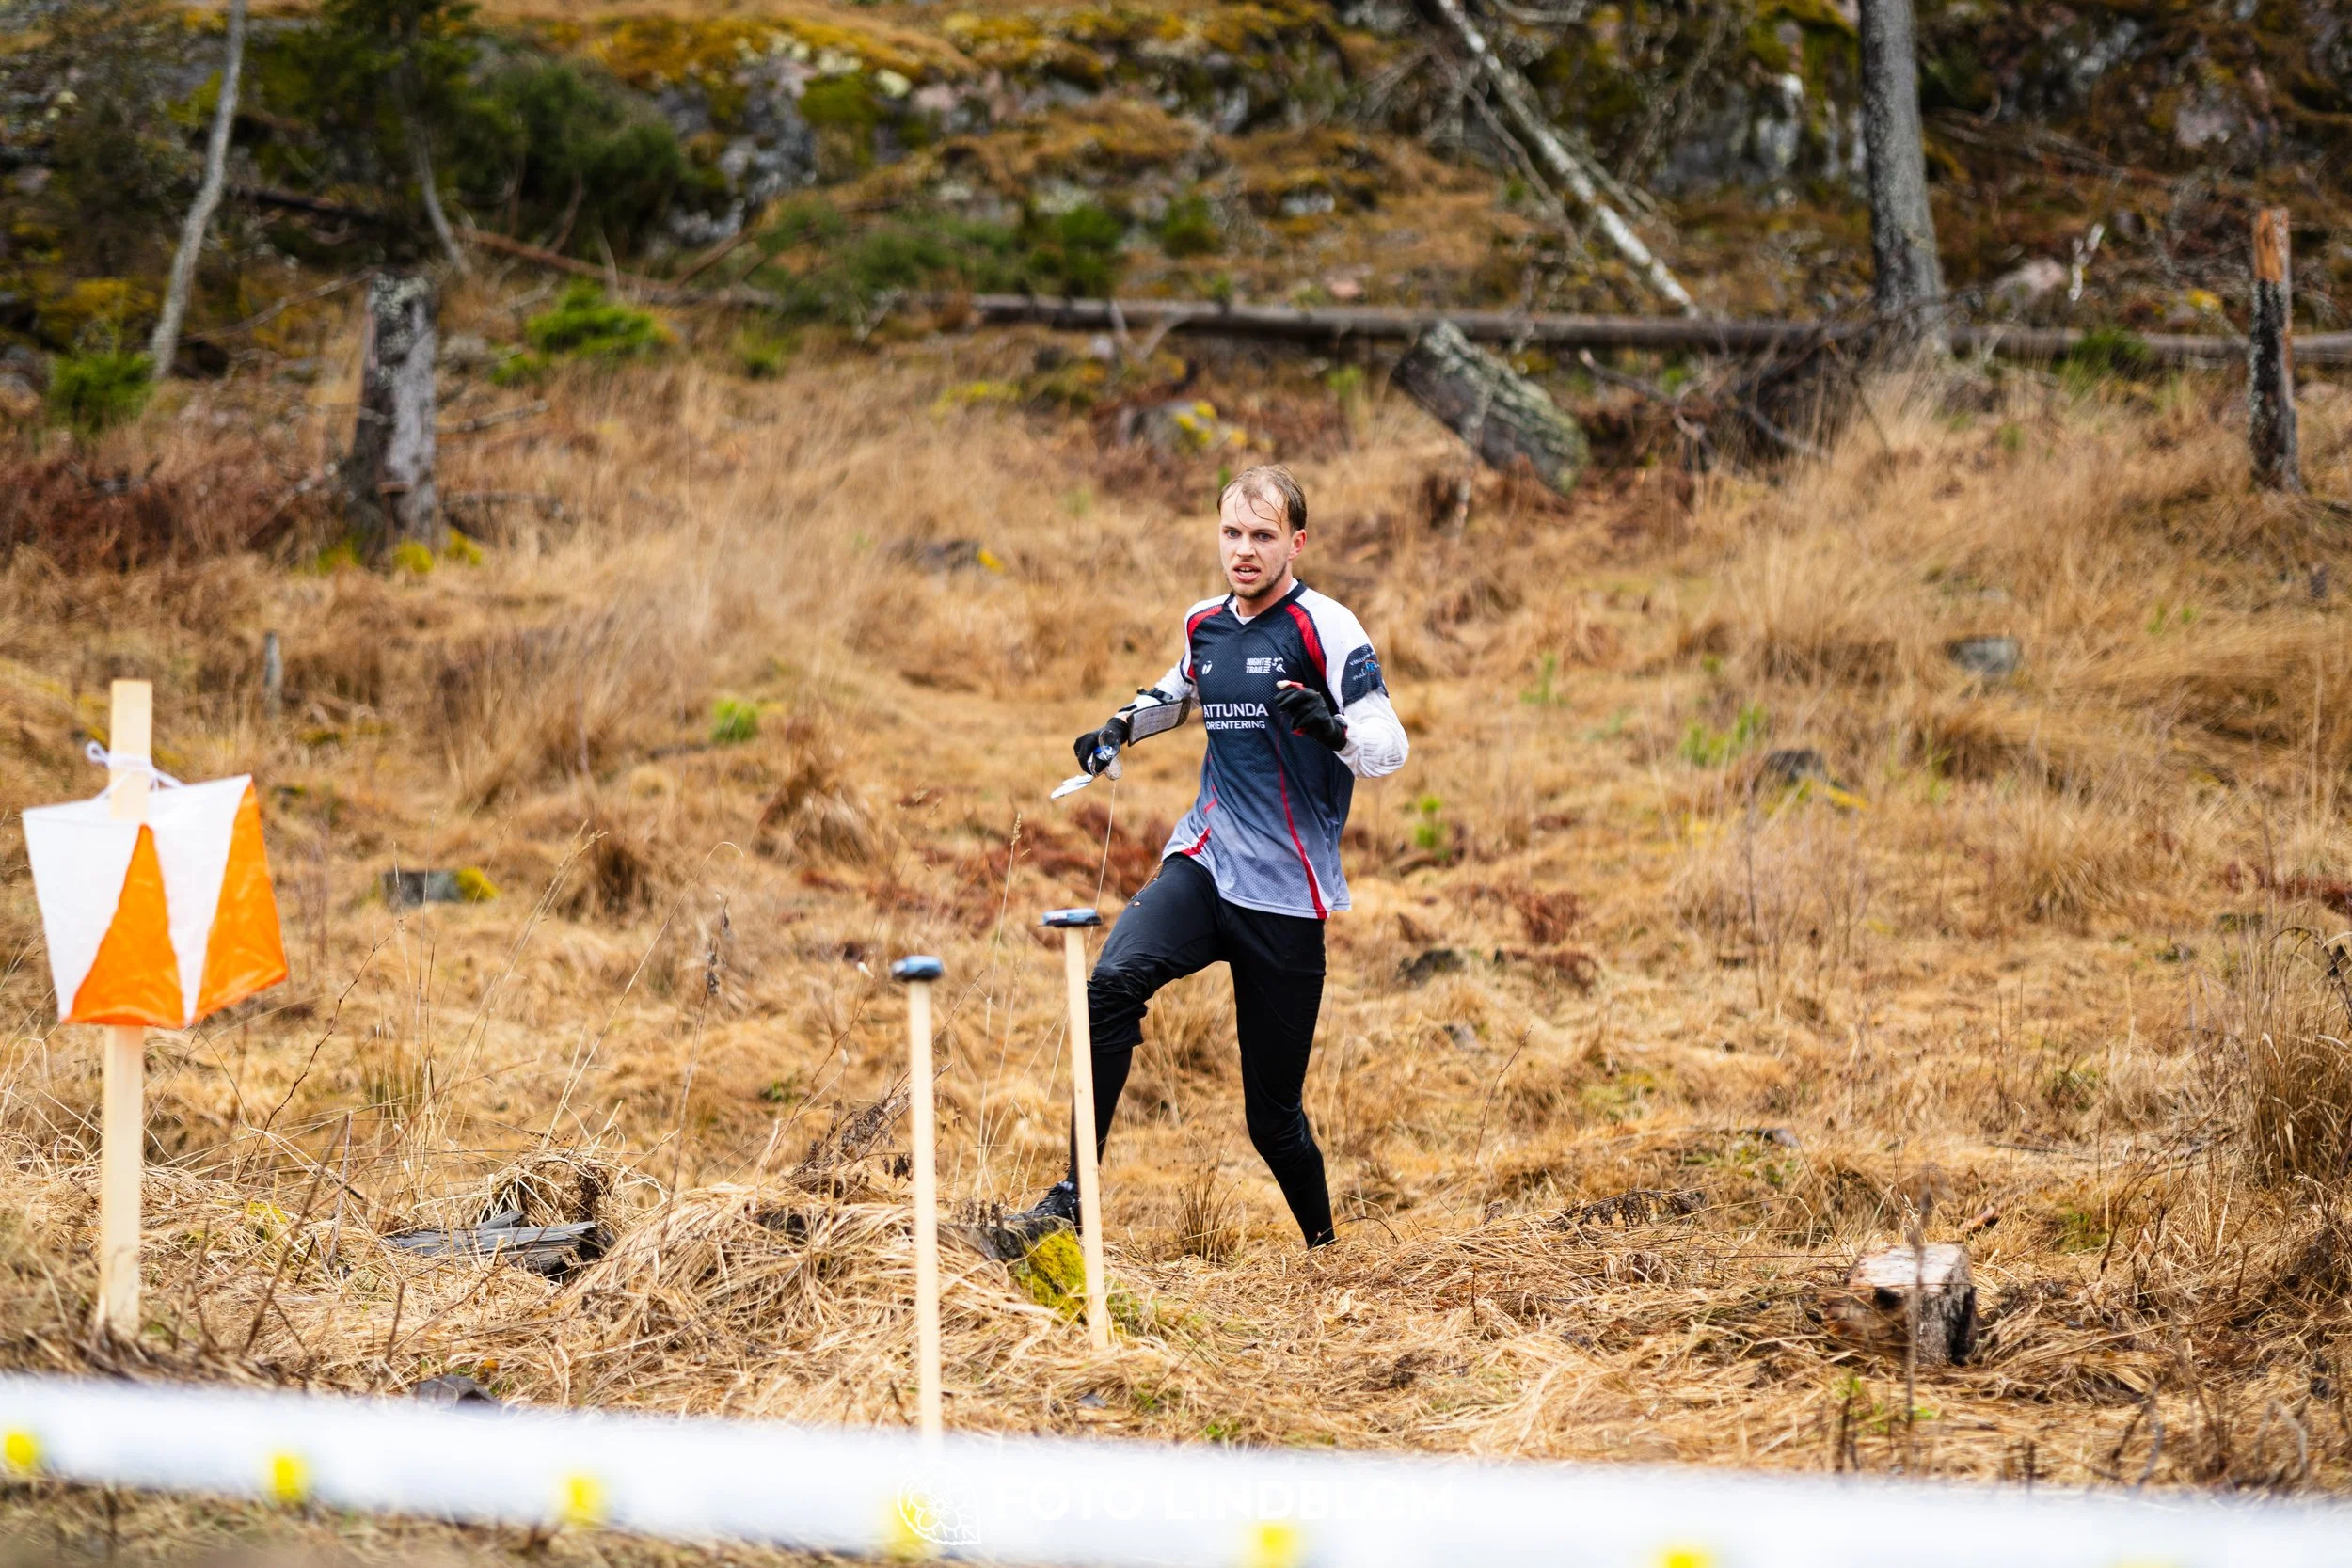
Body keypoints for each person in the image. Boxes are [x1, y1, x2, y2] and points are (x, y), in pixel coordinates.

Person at [1023, 464, 1409, 1248]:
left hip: (1286, 898)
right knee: (1109, 984)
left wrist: (1333, 730)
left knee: (1273, 1120)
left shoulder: (1327, 628)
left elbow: (1389, 745)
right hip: (1205, 856)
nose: (1244, 550)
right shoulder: (1206, 622)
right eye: (1232, 533)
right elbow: (1181, 689)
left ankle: (1326, 1253)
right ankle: (1073, 1197)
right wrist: (1116, 730)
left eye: (1263, 536)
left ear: (1295, 543)